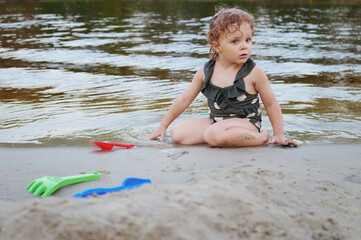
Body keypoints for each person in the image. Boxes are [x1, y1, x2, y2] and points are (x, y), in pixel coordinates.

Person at [146, 7, 299, 148]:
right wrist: (163, 126)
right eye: (235, 41)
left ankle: (261, 137)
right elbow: (184, 99)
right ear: (216, 46)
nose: (244, 46)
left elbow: (271, 104)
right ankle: (222, 136)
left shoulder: (254, 72)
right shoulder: (206, 71)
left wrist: (279, 133)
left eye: (248, 39)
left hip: (246, 124)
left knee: (213, 135)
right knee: (178, 133)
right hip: (216, 121)